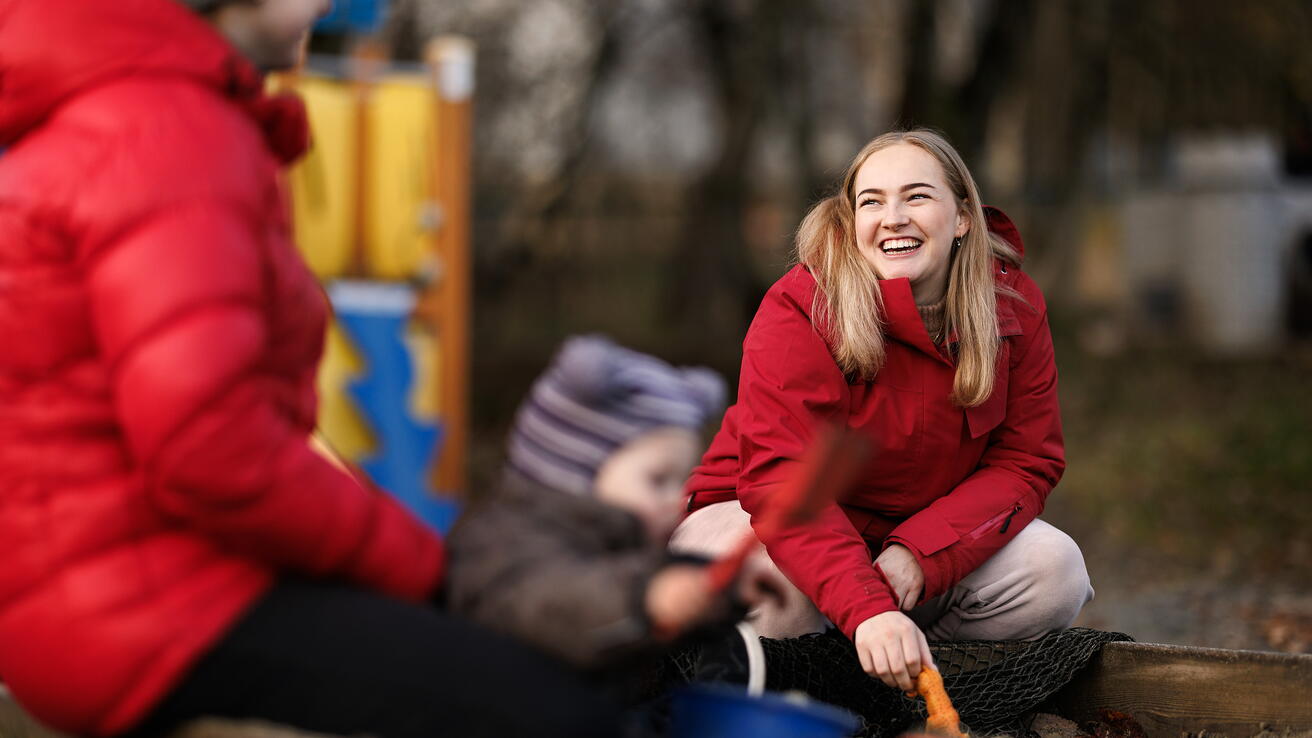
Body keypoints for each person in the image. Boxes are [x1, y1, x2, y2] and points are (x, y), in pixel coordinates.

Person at [0, 1, 617, 736]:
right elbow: (210, 448)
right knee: (556, 711)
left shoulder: (133, 108)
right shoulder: (167, 130)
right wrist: (425, 568)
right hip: (144, 610)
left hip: (114, 587)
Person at [670, 129, 1095, 693]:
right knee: (776, 585)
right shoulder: (799, 307)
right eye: (872, 201)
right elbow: (784, 485)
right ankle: (784, 692)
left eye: (916, 196)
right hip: (759, 520)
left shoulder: (1012, 308)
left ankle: (906, 689)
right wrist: (867, 606)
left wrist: (920, 554)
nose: (893, 217)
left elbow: (1025, 461)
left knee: (1056, 571)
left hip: (909, 541)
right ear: (852, 224)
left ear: (963, 216)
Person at [445, 335, 783, 675]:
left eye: (678, 481)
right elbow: (553, 605)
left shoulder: (619, 545)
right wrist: (646, 598)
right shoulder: (504, 539)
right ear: (576, 468)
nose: (674, 498)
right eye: (656, 480)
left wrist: (720, 589)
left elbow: (646, 583)